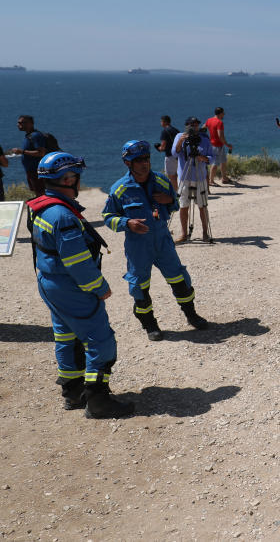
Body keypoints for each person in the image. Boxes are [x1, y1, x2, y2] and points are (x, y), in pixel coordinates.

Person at [27, 151, 134, 418]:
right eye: (75, 176)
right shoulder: (63, 217)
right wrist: (100, 287)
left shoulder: (41, 208)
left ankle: (73, 392)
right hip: (70, 287)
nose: (78, 181)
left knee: (66, 336)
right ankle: (98, 401)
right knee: (102, 340)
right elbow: (78, 263)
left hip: (50, 284)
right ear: (66, 178)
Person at [102, 140, 208, 341]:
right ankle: (150, 324)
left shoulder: (161, 181)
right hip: (138, 245)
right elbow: (107, 217)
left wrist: (169, 201)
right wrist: (127, 222)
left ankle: (191, 315)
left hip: (163, 241)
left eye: (147, 159)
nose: (145, 163)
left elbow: (176, 205)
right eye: (139, 160)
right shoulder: (119, 189)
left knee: (179, 279)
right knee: (140, 287)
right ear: (128, 163)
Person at [173, 117, 214, 243]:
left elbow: (212, 158)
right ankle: (184, 234)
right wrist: (180, 141)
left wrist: (203, 158)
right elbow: (174, 153)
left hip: (199, 176)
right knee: (183, 205)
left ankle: (205, 233)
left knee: (202, 206)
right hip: (185, 177)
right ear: (186, 126)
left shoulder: (204, 139)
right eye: (191, 125)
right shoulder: (180, 136)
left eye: (196, 125)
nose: (194, 127)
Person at [10, 115, 47, 197]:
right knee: (38, 193)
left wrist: (22, 151)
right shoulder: (29, 136)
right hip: (31, 171)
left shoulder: (35, 136)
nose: (18, 124)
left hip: (37, 171)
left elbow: (41, 153)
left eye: (21, 123)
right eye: (18, 123)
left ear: (31, 124)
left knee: (41, 194)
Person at [205, 107, 233, 186]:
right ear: (220, 113)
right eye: (223, 113)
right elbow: (220, 136)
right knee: (215, 163)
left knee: (223, 161)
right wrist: (227, 145)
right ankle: (211, 181)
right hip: (217, 145)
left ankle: (224, 178)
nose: (224, 114)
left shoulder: (209, 120)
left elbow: (203, 128)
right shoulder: (219, 122)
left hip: (214, 144)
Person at [154, 115, 179, 193]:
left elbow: (163, 147)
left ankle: (176, 193)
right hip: (178, 155)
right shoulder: (176, 130)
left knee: (171, 176)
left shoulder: (165, 131)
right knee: (178, 175)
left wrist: (158, 148)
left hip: (170, 156)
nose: (161, 123)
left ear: (164, 122)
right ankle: (181, 191)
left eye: (161, 121)